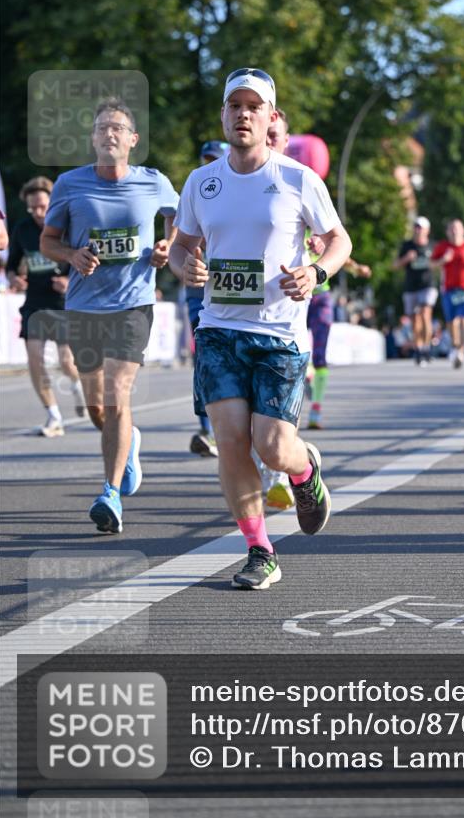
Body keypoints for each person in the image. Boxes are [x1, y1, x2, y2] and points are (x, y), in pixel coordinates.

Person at [169, 68, 352, 590]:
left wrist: (317, 272)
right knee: (230, 441)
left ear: (271, 117)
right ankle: (259, 549)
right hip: (219, 329)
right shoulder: (202, 182)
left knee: (271, 446)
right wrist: (185, 265)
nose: (243, 114)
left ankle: (303, 470)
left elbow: (339, 240)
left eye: (254, 107)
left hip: (279, 336)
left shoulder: (297, 178)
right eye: (234, 106)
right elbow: (182, 243)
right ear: (224, 114)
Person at [40, 98, 179, 533]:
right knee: (97, 407)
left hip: (132, 305)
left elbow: (182, 218)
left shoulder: (153, 182)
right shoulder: (69, 184)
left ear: (132, 139)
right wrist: (72, 255)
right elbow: (48, 241)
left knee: (119, 393)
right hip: (83, 306)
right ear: (93, 139)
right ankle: (129, 442)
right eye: (101, 128)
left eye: (117, 127)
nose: (109, 134)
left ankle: (110, 493)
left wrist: (167, 246)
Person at [6, 177, 85, 435]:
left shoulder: (68, 227)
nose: (38, 213)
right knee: (35, 359)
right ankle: (53, 416)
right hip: (35, 305)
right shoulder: (22, 229)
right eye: (33, 208)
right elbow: (12, 264)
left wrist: (68, 280)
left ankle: (77, 385)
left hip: (63, 303)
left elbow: (87, 261)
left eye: (42, 206)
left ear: (53, 203)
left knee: (66, 361)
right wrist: (14, 278)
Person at [187, 141, 229, 457]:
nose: (209, 163)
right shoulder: (196, 186)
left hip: (233, 292)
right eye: (205, 159)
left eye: (214, 158)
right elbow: (180, 241)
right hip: (198, 290)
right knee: (204, 357)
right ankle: (209, 430)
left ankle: (229, 428)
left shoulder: (244, 190)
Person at [305, 232, 371, 430]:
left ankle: (316, 411)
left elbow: (340, 251)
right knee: (297, 351)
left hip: (320, 298)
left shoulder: (322, 226)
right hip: (296, 297)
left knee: (319, 356)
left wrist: (356, 268)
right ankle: (307, 375)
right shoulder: (289, 222)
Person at [432, 219, 464, 369]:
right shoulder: (443, 247)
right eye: (452, 228)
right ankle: (456, 346)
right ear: (448, 232)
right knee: (452, 322)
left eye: (457, 228)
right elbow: (431, 264)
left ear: (463, 230)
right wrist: (443, 260)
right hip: (448, 289)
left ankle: (462, 350)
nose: (455, 231)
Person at [393, 217, 437, 365]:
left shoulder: (432, 246)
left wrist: (436, 263)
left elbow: (440, 264)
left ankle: (426, 347)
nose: (418, 230)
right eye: (416, 227)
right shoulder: (407, 246)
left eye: (421, 227)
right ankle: (418, 348)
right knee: (415, 320)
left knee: (425, 314)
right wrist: (406, 258)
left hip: (428, 285)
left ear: (427, 230)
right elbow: (395, 265)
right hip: (411, 287)